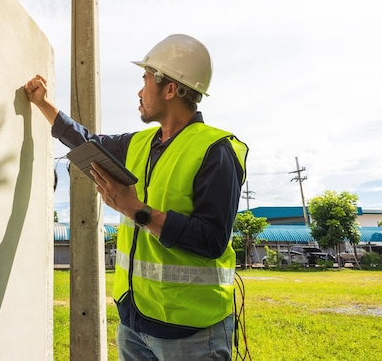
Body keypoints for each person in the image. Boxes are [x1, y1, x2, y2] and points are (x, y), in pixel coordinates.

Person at [24, 34, 248, 360]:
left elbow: (211, 239)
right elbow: (87, 140)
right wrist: (44, 103)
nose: (139, 91)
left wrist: (135, 210)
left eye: (145, 79)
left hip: (192, 333)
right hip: (134, 324)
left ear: (169, 88)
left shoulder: (216, 151)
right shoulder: (138, 144)